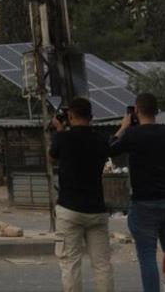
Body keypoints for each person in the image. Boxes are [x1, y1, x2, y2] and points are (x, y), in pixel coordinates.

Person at [110, 92, 165, 292]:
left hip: (144, 205)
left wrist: (123, 128)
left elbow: (110, 149)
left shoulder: (132, 135)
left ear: (137, 110)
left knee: (148, 258)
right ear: (156, 111)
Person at [49, 97, 114, 292]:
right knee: (102, 264)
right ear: (91, 117)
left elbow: (51, 159)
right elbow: (108, 150)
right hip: (96, 210)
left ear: (70, 116)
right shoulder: (100, 141)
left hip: (69, 210)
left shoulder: (63, 138)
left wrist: (59, 132)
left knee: (70, 264)